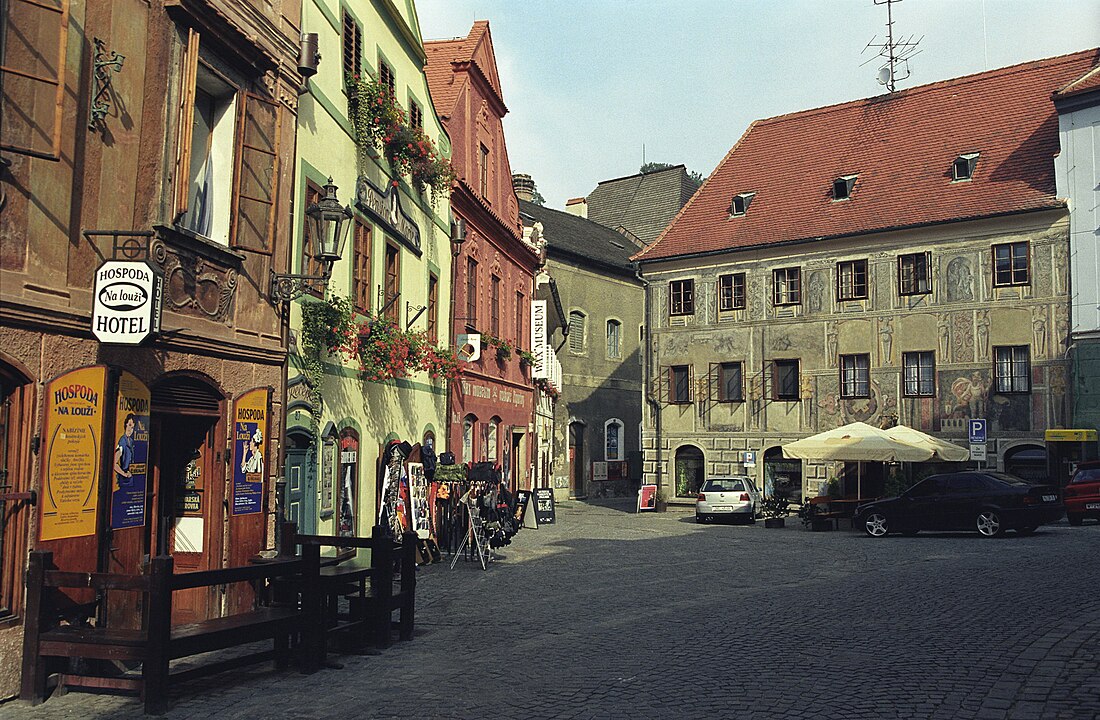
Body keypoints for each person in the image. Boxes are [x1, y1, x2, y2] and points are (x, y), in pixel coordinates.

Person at [114, 414, 136, 488]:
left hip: (130, 478)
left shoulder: (131, 441)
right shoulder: (123, 441)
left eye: (132, 427)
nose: (130, 430)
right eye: (129, 425)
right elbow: (114, 463)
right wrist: (124, 474)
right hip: (124, 479)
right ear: (125, 425)